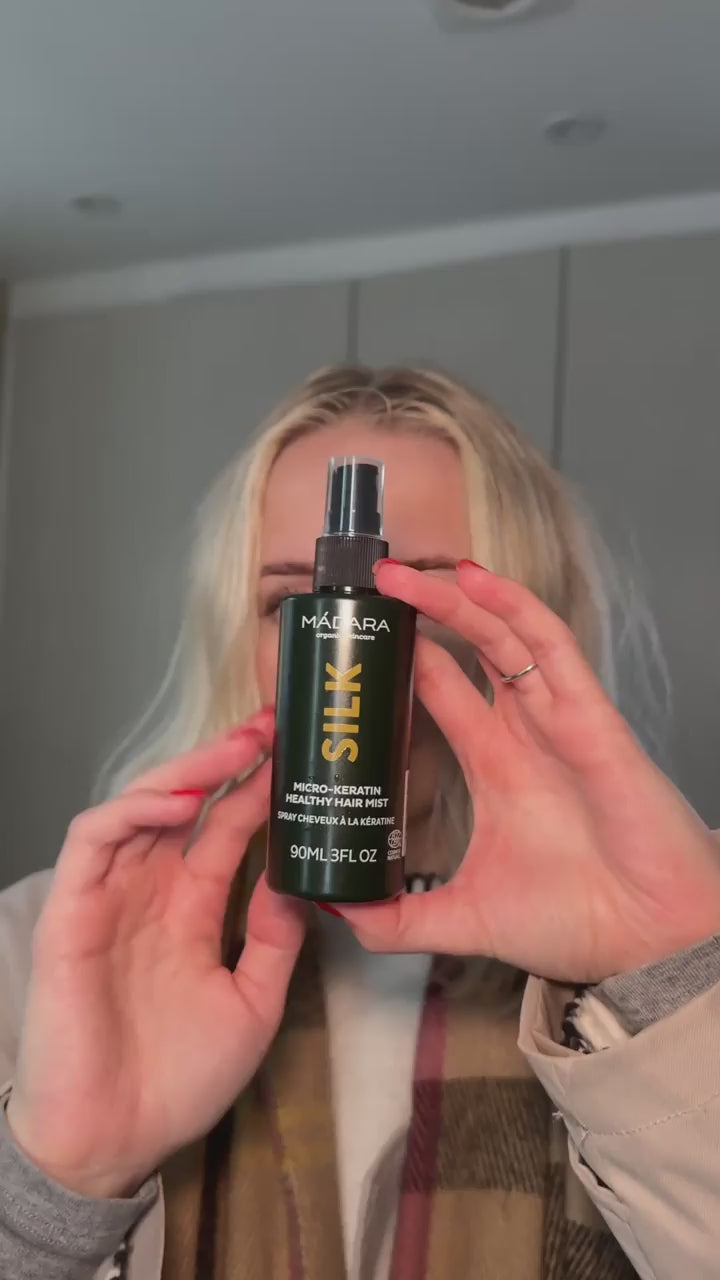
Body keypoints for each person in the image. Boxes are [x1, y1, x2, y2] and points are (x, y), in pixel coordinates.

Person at [0, 365, 718, 1280]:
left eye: (416, 603)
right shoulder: (45, 949)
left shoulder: (676, 951)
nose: (367, 651)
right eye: (289, 603)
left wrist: (675, 991)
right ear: (241, 636)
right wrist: (54, 1197)